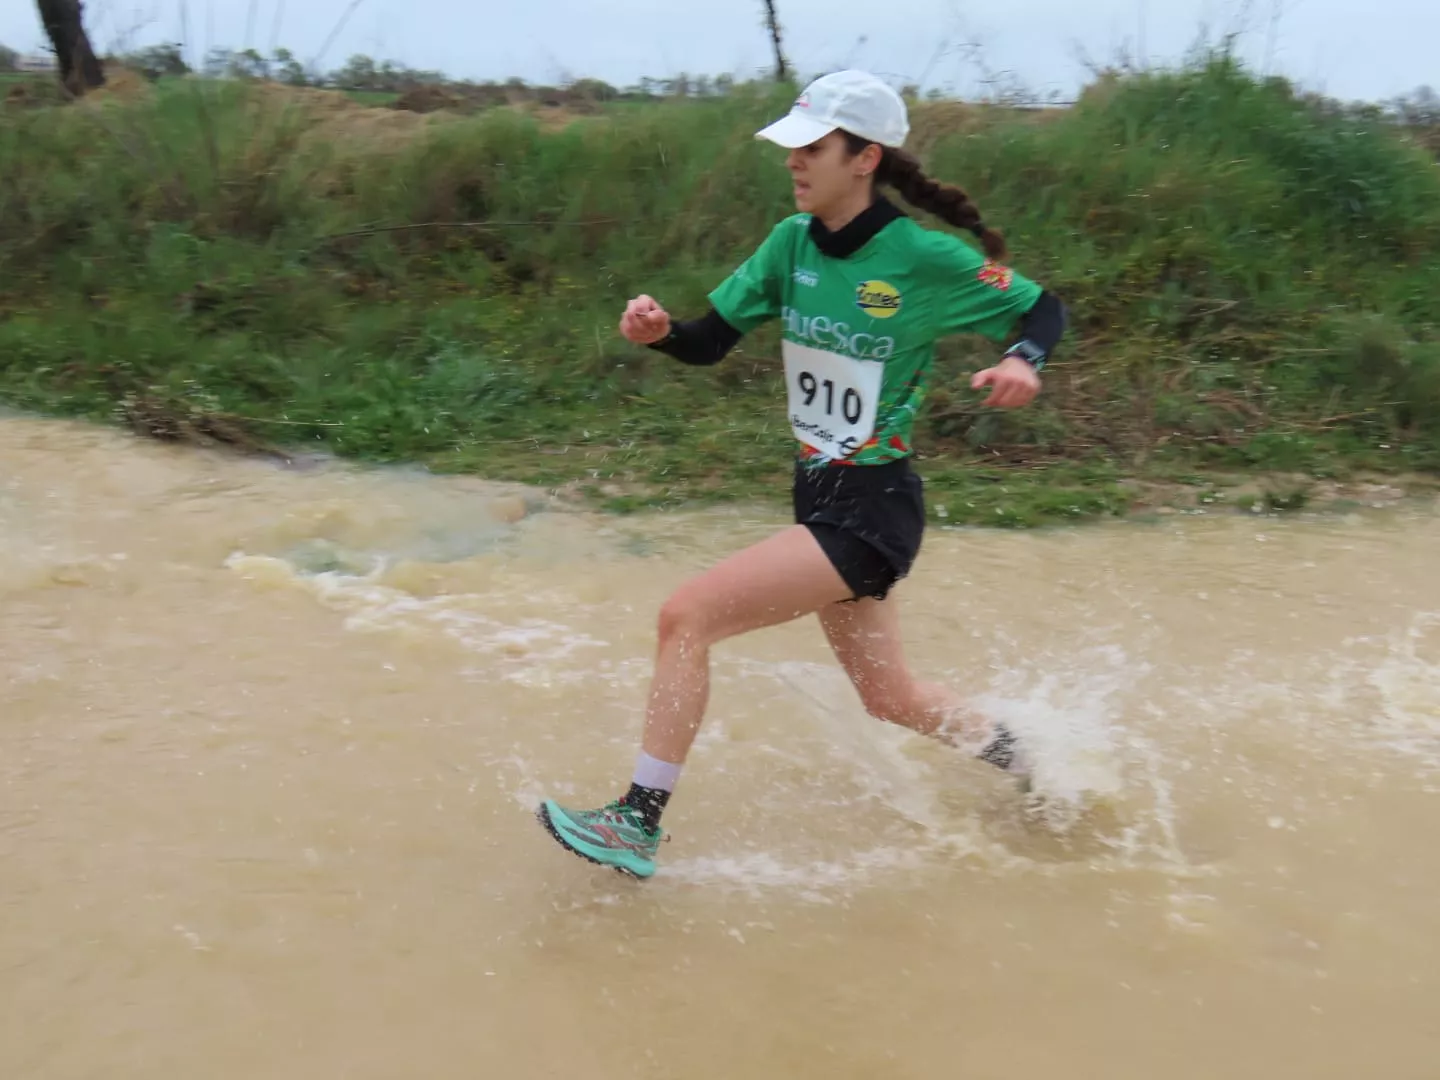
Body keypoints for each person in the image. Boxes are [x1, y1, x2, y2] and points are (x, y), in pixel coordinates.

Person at [536, 69, 1068, 879]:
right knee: (891, 699)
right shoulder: (790, 243)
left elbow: (1042, 308)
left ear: (865, 158)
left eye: (812, 147)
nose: (794, 161)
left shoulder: (920, 257)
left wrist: (1023, 361)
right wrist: (658, 333)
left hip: (871, 510)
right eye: (791, 146)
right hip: (818, 497)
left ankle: (636, 819)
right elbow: (712, 338)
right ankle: (1041, 765)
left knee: (687, 618)